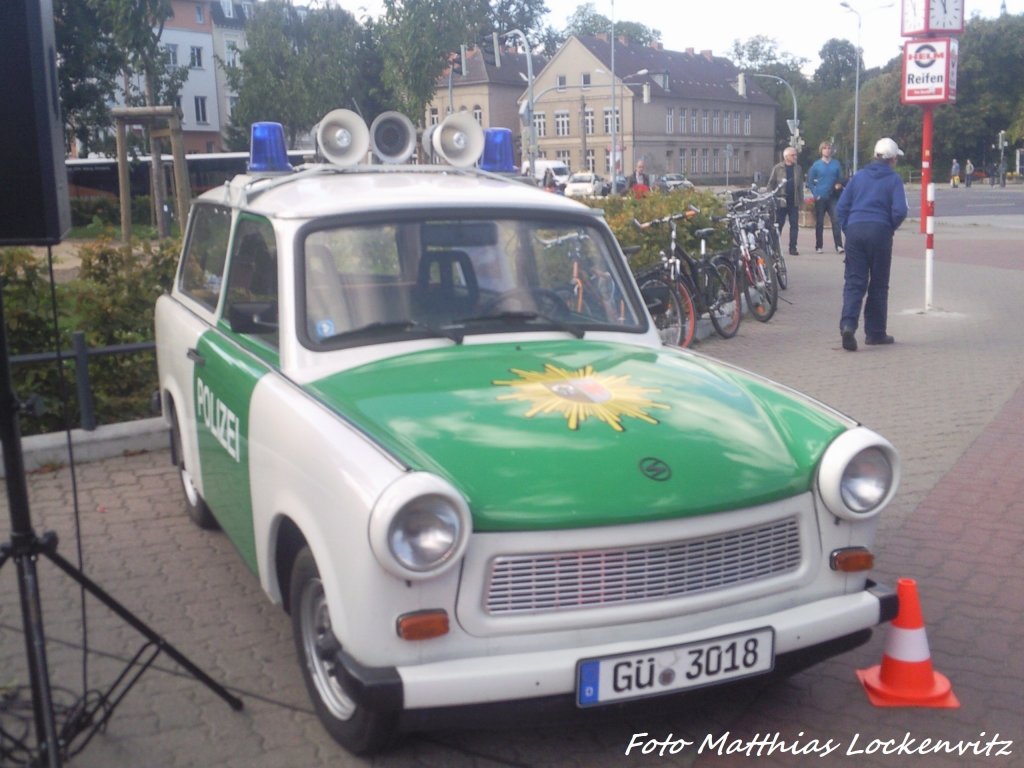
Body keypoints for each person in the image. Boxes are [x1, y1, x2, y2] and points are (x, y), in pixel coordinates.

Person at [835, 137, 908, 352]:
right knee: (878, 283)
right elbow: (900, 211)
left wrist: (849, 228)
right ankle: (875, 333)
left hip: (855, 231)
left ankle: (848, 325)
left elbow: (841, 208)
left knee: (854, 281)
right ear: (893, 159)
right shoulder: (894, 180)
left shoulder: (858, 177)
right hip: (880, 232)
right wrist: (888, 227)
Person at [807, 141, 845, 254]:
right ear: (821, 151)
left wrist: (839, 184)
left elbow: (841, 178)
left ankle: (839, 245)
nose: (827, 150)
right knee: (819, 222)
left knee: (836, 220)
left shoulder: (836, 164)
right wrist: (815, 194)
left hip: (833, 196)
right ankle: (819, 245)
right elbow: (810, 181)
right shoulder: (816, 165)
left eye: (829, 148)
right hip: (821, 196)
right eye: (825, 148)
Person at [767, 146, 803, 256]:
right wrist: (771, 197)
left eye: (795, 155)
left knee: (794, 225)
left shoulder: (798, 168)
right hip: (781, 201)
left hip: (793, 201)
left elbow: (800, 186)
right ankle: (774, 247)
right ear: (786, 156)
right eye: (793, 155)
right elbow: (771, 184)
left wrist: (801, 200)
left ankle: (793, 247)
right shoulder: (778, 168)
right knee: (779, 225)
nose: (795, 157)